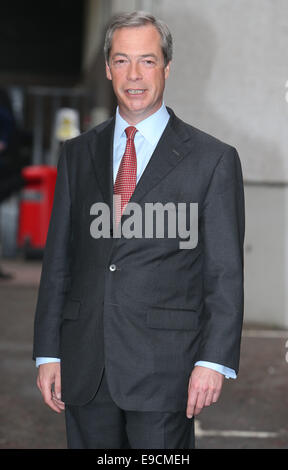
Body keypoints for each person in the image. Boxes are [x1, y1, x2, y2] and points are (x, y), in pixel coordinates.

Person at [33, 11, 245, 449]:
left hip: (166, 370)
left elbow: (224, 272)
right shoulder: (77, 154)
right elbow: (59, 262)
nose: (134, 75)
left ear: (167, 67)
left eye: (147, 61)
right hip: (85, 364)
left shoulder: (213, 160)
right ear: (108, 68)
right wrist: (49, 351)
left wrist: (213, 360)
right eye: (122, 60)